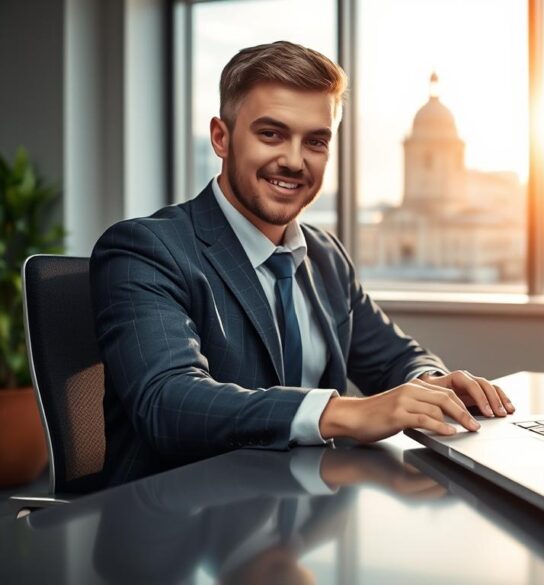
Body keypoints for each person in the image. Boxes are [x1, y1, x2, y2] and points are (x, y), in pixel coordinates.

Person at [90, 41, 513, 487]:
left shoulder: (325, 254)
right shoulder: (145, 249)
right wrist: (343, 412)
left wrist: (431, 384)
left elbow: (394, 358)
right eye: (271, 134)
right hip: (176, 528)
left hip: (301, 513)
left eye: (315, 141)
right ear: (221, 137)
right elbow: (168, 402)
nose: (294, 161)